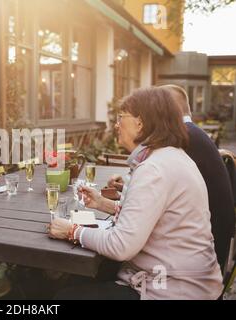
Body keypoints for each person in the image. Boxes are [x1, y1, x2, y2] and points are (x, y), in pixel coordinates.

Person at [49, 86, 223, 300]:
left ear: (140, 123)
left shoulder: (154, 168)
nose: (116, 124)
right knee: (81, 280)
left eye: (121, 117)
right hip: (189, 281)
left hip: (173, 290)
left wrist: (72, 231)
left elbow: (121, 246)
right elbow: (152, 217)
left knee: (64, 296)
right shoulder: (170, 157)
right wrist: (103, 204)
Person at [108, 84, 235, 274]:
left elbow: (157, 185)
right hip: (204, 242)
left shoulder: (181, 137)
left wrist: (75, 231)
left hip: (194, 259)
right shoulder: (192, 134)